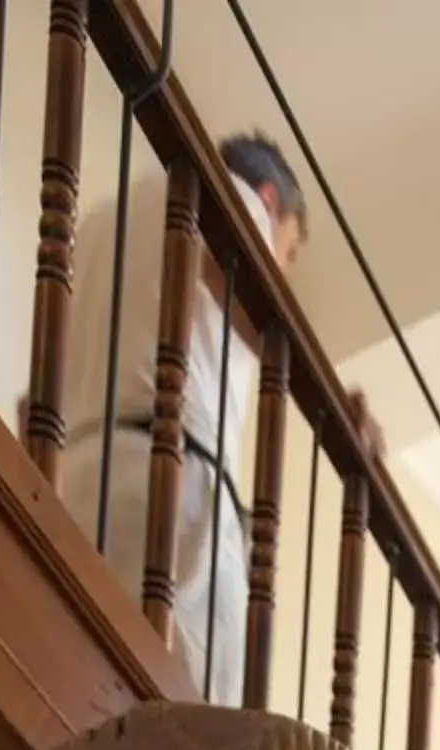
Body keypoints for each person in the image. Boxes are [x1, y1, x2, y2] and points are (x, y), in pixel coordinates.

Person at [55, 134, 375, 705]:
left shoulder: (98, 225)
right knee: (196, 717)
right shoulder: (231, 198)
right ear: (271, 201)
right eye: (290, 249)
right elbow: (231, 277)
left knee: (83, 696)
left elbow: (37, 394)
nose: (283, 266)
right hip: (172, 482)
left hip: (79, 477)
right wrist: (328, 402)